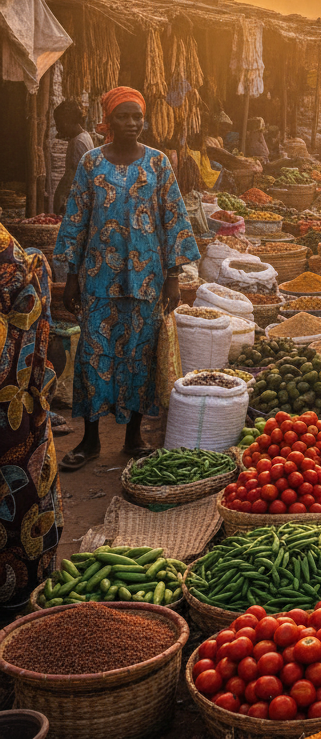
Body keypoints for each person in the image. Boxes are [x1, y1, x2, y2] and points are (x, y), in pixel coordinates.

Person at [54, 87, 201, 469]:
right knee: (93, 355)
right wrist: (71, 276)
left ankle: (134, 437)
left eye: (137, 116)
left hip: (147, 279)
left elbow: (173, 218)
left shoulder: (158, 164)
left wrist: (172, 277)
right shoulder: (90, 163)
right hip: (99, 277)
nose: (132, 123)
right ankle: (89, 440)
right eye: (124, 116)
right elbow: (76, 221)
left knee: (140, 355)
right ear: (108, 120)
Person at [0, 224, 64, 609]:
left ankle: (20, 596)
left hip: (13, 393)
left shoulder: (9, 257)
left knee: (19, 484)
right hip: (16, 390)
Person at [53, 99, 95, 213]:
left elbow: (72, 175)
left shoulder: (78, 142)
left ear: (66, 122)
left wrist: (60, 200)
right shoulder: (82, 137)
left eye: (59, 123)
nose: (57, 128)